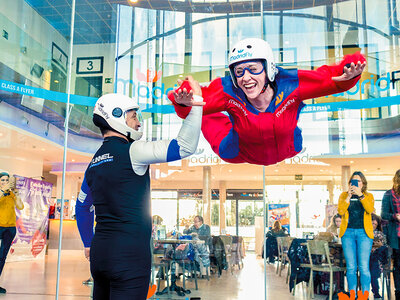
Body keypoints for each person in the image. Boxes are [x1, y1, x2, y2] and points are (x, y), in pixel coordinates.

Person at [75, 92, 203, 300]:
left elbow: (82, 207)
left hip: (100, 256)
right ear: (116, 117)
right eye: (133, 116)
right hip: (128, 257)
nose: (137, 123)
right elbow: (184, 146)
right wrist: (196, 105)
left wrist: (88, 243)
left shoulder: (94, 162)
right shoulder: (133, 151)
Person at [169, 38, 366, 166]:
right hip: (238, 151)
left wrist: (347, 74)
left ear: (269, 69)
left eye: (253, 69)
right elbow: (198, 103)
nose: (246, 77)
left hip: (288, 148)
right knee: (203, 110)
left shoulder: (289, 83)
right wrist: (185, 100)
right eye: (239, 72)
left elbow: (326, 80)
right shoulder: (230, 89)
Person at [338, 171, 374, 294]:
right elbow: (341, 211)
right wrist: (349, 195)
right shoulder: (343, 195)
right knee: (351, 267)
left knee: (364, 267)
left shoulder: (368, 196)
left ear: (363, 183)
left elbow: (369, 209)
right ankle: (352, 295)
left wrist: (360, 195)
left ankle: (364, 295)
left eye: (358, 181)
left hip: (364, 234)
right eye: (353, 181)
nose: (356, 183)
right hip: (347, 233)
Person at [0, 172, 24, 294]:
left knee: (2, 257)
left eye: (6, 180)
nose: (4, 182)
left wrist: (17, 195)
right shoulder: (2, 193)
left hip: (10, 229)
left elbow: (20, 207)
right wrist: (3, 191)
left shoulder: (11, 194)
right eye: (2, 180)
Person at [381, 169, 400, 300]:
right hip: (396, 236)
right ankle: (398, 291)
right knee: (398, 265)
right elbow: (383, 215)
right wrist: (395, 216)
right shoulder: (389, 195)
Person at [369, 213, 388, 299]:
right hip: (366, 258)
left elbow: (384, 247)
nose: (373, 225)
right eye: (372, 223)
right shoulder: (363, 233)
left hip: (376, 259)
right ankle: (374, 293)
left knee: (374, 265)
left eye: (375, 224)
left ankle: (376, 292)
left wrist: (379, 245)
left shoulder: (379, 234)